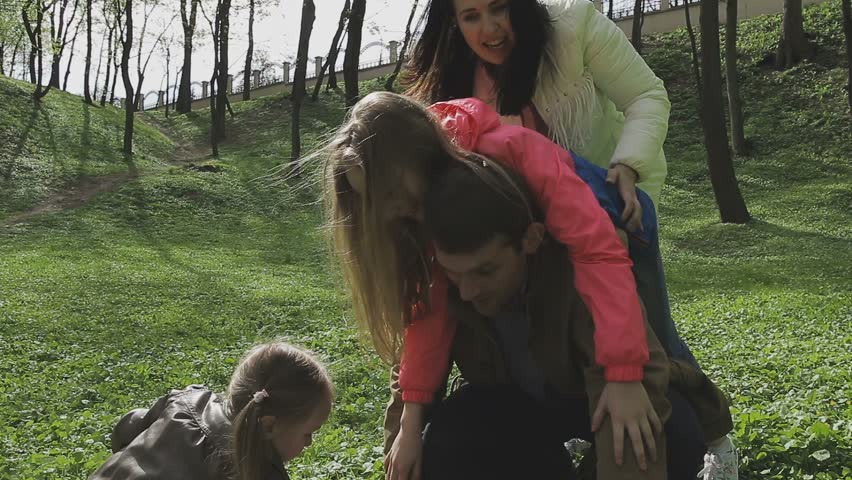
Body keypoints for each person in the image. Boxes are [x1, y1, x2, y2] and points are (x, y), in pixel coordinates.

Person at [321, 92, 736, 479]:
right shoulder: (425, 233)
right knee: (448, 437)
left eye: (391, 192)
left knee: (651, 419)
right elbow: (424, 326)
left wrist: (624, 375)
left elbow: (600, 255)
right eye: (376, 202)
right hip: (523, 397)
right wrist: (407, 428)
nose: (391, 209)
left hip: (614, 238)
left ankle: (707, 425)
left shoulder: (521, 164)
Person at [88, 342, 334, 480]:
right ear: (269, 425)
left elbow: (127, 427)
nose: (309, 443)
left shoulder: (189, 401)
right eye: (309, 433)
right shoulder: (259, 474)